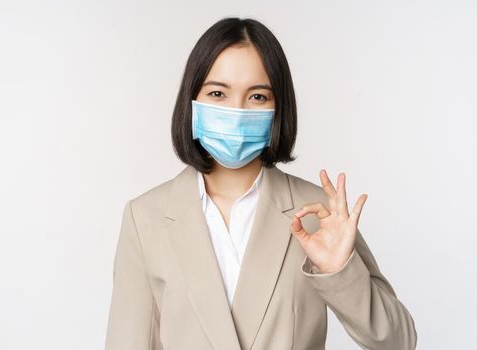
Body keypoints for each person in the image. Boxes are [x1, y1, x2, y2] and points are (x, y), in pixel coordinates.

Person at [104, 17, 417, 350]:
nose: (236, 111)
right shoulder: (146, 217)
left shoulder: (317, 213)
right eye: (217, 93)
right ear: (191, 103)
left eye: (257, 97)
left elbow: (398, 342)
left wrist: (340, 270)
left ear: (278, 108)